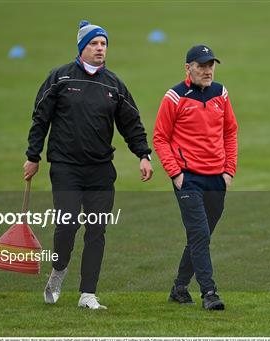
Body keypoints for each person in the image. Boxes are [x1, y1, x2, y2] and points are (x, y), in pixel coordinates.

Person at [23, 20, 153, 309]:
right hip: (66, 167)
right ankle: (58, 271)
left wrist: (143, 154)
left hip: (100, 170)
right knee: (67, 225)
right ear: (82, 47)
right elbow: (40, 117)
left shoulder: (114, 85)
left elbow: (131, 124)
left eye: (103, 43)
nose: (100, 48)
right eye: (94, 43)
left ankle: (88, 294)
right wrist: (33, 156)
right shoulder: (60, 79)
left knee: (97, 230)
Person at [153, 44, 238, 310]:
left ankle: (179, 288)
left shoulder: (220, 93)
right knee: (200, 234)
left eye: (210, 65)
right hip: (188, 178)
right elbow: (160, 137)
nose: (207, 70)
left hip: (217, 178)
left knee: (200, 237)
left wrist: (228, 171)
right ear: (188, 68)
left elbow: (230, 132)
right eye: (201, 66)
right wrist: (175, 173)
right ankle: (209, 293)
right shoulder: (175, 97)